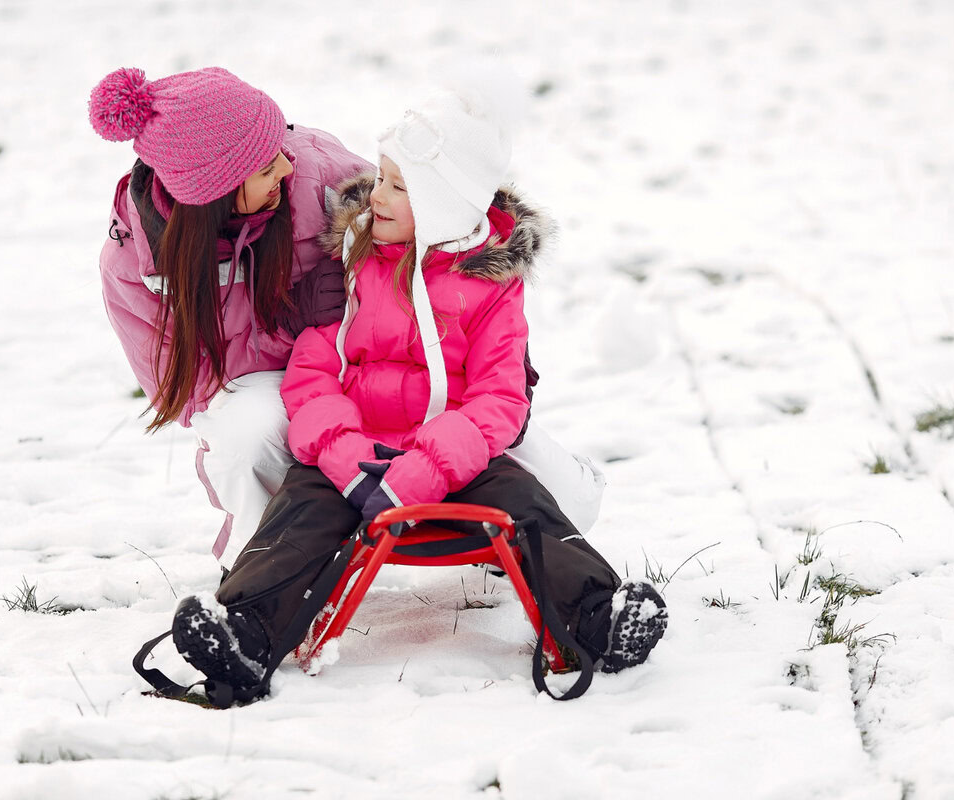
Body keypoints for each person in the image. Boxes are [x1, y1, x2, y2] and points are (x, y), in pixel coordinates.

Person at [167, 85, 669, 703]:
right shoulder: (353, 262)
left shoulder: (491, 285)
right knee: (299, 516)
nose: (374, 195)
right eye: (381, 178)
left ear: (442, 204)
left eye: (397, 186)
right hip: (356, 460)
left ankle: (597, 618)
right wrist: (343, 455)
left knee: (530, 509)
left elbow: (499, 397)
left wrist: (428, 467)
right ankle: (246, 634)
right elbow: (314, 364)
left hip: (456, 461)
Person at [90, 67, 607, 573]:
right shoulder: (137, 267)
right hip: (300, 378)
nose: (287, 168)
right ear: (217, 190)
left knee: (546, 487)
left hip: (400, 364)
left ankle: (548, 507)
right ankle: (261, 569)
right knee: (255, 434)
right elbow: (179, 382)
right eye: (267, 166)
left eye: (282, 149)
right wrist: (318, 402)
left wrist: (495, 361)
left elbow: (436, 208)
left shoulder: (319, 172)